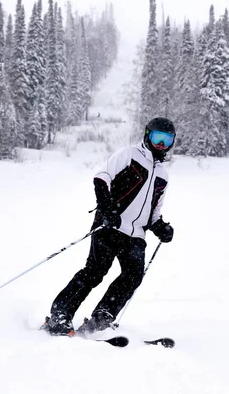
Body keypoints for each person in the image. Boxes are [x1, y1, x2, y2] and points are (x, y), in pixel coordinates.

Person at [43, 117, 176, 336]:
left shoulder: (163, 175)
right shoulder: (129, 155)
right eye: (157, 138)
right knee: (95, 272)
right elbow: (101, 178)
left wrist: (161, 227)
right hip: (109, 227)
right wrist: (106, 210)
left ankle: (101, 318)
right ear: (147, 135)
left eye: (167, 140)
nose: (161, 144)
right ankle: (60, 314)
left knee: (133, 276)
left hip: (135, 236)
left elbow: (154, 213)